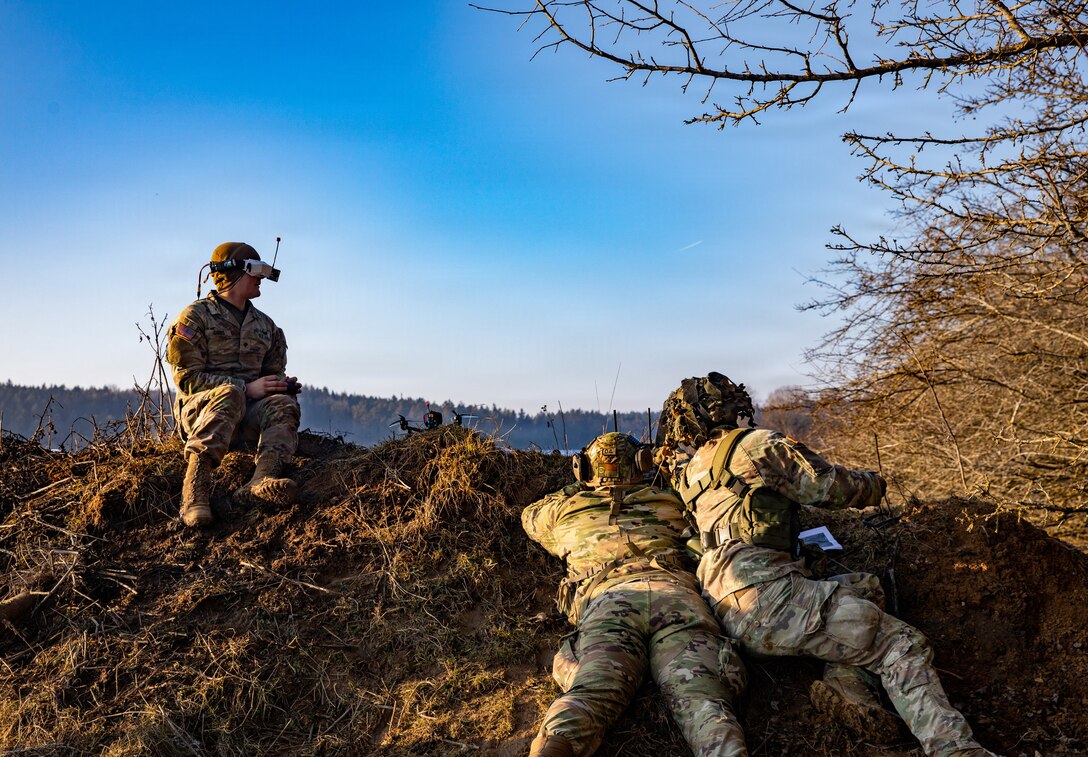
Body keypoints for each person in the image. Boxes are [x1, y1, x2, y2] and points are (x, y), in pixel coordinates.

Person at [654, 372, 1001, 757]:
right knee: (902, 644)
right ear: (729, 410)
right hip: (772, 602)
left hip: (726, 607)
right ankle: (956, 750)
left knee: (866, 587)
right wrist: (876, 483)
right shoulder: (758, 446)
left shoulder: (691, 473)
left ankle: (847, 684)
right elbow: (829, 487)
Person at [522, 431, 748, 757]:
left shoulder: (566, 511)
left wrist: (579, 487)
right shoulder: (670, 503)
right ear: (643, 463)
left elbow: (530, 516)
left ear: (583, 468)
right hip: (677, 600)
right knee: (703, 700)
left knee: (592, 691)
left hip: (610, 602)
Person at [165, 241, 302, 528]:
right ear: (235, 274)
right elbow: (187, 379)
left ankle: (260, 482)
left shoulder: (266, 327)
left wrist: (280, 386)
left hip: (246, 420)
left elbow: (270, 375)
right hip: (201, 415)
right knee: (230, 394)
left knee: (282, 404)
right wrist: (245, 388)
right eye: (255, 272)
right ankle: (193, 495)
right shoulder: (195, 317)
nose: (260, 279)